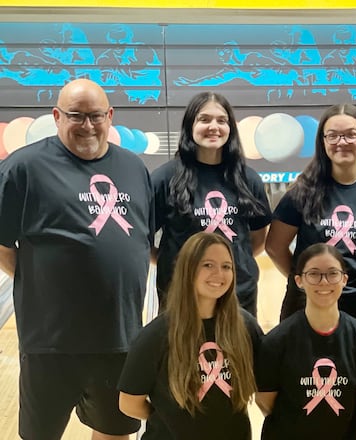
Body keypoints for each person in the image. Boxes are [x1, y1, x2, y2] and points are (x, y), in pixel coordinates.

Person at [0, 78, 153, 439]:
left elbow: (140, 239)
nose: (87, 125)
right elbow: (2, 244)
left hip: (118, 337)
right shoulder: (24, 168)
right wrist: (40, 280)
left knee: (115, 432)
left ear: (110, 116)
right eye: (76, 115)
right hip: (51, 343)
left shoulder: (134, 169)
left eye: (96, 115)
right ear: (56, 116)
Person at [265, 103, 356, 335]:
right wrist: (307, 281)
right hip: (306, 302)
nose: (342, 142)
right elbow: (274, 246)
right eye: (333, 135)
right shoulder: (302, 191)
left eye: (351, 134)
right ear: (323, 141)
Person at [118, 232, 263, 438]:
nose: (219, 274)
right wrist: (167, 418)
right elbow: (129, 403)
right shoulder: (157, 335)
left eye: (226, 266)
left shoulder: (246, 327)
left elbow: (267, 390)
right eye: (208, 265)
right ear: (188, 269)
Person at [152, 91, 271, 316]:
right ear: (190, 126)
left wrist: (235, 261)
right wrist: (176, 262)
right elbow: (144, 239)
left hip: (237, 294)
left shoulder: (249, 179)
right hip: (181, 295)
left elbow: (258, 239)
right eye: (204, 119)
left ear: (230, 128)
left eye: (221, 120)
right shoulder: (165, 179)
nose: (213, 126)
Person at [256, 243, 356, 439]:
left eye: (332, 273)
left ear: (344, 279)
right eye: (314, 274)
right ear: (299, 281)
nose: (324, 282)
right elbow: (266, 403)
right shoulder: (275, 342)